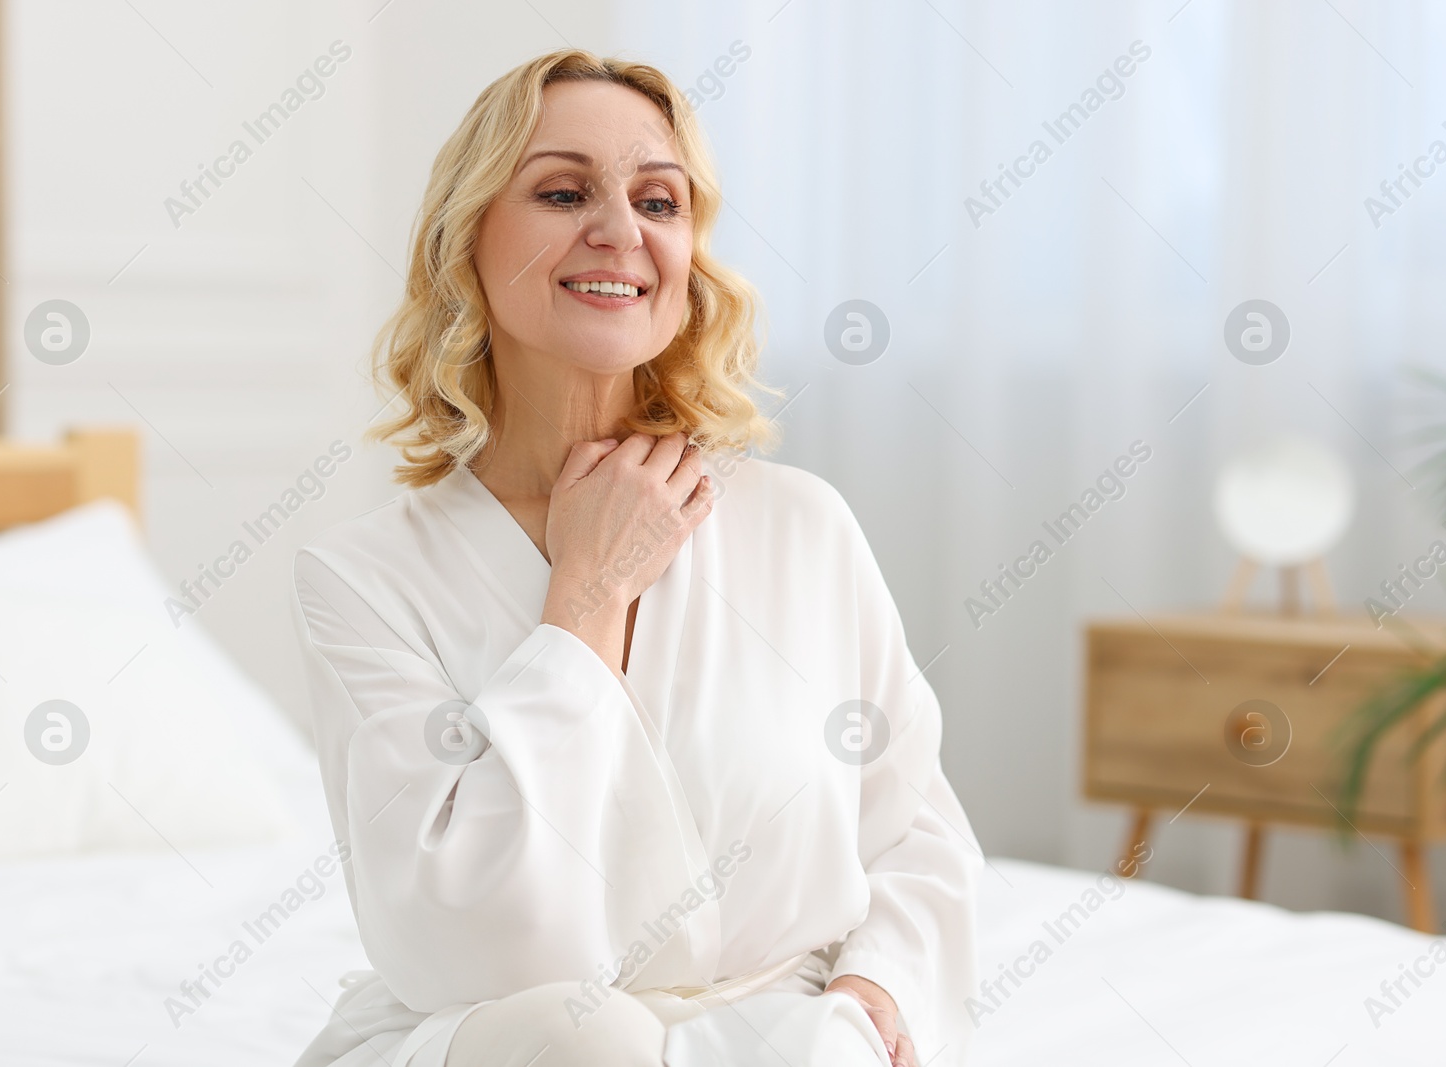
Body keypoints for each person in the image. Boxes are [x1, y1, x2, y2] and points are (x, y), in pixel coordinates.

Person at [289, 47, 981, 1067]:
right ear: (465, 240)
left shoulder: (801, 526)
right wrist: (589, 592)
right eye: (564, 191)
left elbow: (914, 833)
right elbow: (465, 940)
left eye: (659, 201)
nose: (620, 230)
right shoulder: (364, 578)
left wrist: (876, 983)